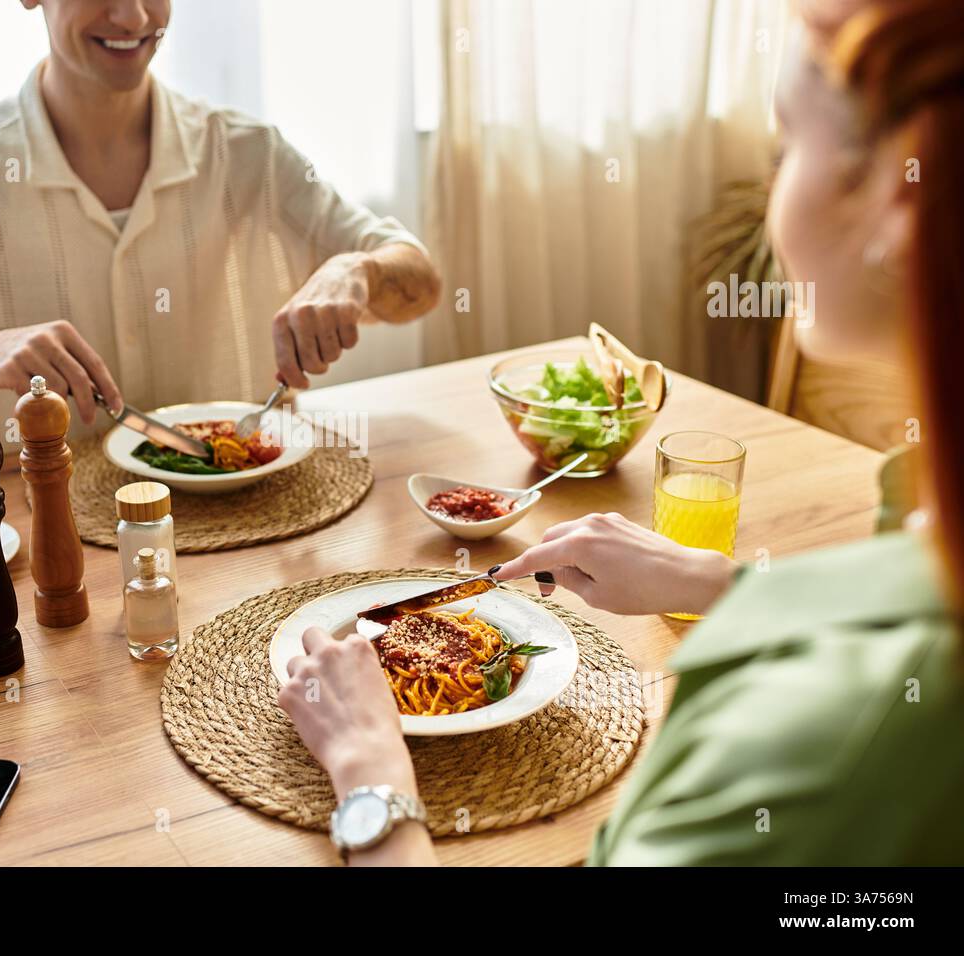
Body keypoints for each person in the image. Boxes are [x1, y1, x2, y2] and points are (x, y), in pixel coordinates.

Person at [279, 0, 964, 866]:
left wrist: (370, 777)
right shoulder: (914, 516)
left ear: (899, 209)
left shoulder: (830, 744)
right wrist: (724, 585)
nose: (768, 194)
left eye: (786, 149)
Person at [0, 0, 440, 441]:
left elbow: (420, 286)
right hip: (46, 546)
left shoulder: (247, 152)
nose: (133, 16)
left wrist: (357, 269)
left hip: (254, 532)